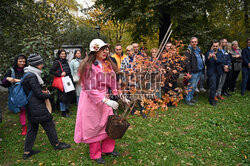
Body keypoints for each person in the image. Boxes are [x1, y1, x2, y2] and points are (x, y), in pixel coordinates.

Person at [74, 39, 129, 164]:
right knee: (93, 126)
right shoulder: (88, 67)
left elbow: (113, 82)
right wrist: (105, 100)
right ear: (95, 51)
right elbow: (88, 88)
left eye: (106, 49)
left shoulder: (107, 64)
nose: (106, 52)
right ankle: (95, 154)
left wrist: (121, 95)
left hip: (105, 98)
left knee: (108, 123)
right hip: (91, 101)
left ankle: (108, 149)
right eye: (102, 49)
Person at [22, 54, 70, 160]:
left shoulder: (28, 73)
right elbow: (39, 94)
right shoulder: (32, 76)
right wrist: (49, 95)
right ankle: (57, 144)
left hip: (31, 106)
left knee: (32, 129)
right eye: (40, 63)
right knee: (49, 125)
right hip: (37, 106)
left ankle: (27, 151)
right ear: (36, 64)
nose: (42, 65)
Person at [1, 54, 28, 135]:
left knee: (30, 109)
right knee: (22, 111)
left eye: (24, 61)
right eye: (20, 61)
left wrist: (18, 80)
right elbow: (4, 82)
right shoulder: (11, 71)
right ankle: (24, 127)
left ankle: (32, 125)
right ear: (16, 61)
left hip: (27, 92)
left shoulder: (27, 70)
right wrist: (7, 79)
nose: (22, 63)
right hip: (18, 94)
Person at [50, 49, 75, 117]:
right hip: (62, 81)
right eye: (62, 54)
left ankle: (67, 110)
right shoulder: (57, 62)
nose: (63, 55)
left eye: (64, 54)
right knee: (63, 97)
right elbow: (51, 71)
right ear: (59, 55)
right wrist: (60, 74)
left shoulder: (66, 61)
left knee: (68, 95)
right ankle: (63, 112)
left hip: (68, 80)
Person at [184, 37, 204, 106]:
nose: (194, 43)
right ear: (190, 42)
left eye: (195, 42)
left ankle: (191, 97)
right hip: (193, 72)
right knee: (191, 86)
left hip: (199, 70)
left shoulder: (198, 50)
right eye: (192, 42)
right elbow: (187, 63)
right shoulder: (188, 51)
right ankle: (187, 99)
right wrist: (188, 73)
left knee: (194, 86)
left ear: (197, 42)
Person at [205, 41, 224, 106]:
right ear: (212, 46)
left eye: (216, 46)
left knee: (216, 86)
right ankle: (211, 100)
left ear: (218, 46)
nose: (215, 47)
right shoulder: (208, 53)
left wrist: (216, 58)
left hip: (218, 72)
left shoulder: (220, 53)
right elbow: (205, 63)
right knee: (212, 86)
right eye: (214, 46)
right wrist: (208, 58)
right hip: (211, 72)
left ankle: (213, 96)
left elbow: (221, 61)